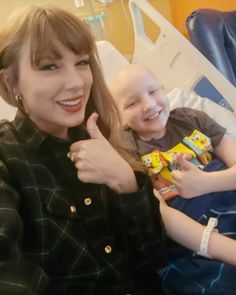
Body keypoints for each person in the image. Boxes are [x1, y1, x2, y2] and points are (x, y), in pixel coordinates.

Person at [0, 6, 236, 295]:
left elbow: (151, 260)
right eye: (49, 66)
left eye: (82, 63)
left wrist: (127, 183)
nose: (76, 83)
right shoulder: (7, 158)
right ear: (10, 82)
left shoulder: (109, 143)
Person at [110, 63, 236, 294]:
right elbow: (159, 215)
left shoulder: (193, 119)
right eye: (132, 103)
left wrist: (205, 184)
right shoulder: (127, 149)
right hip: (192, 234)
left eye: (153, 91)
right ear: (119, 115)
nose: (148, 105)